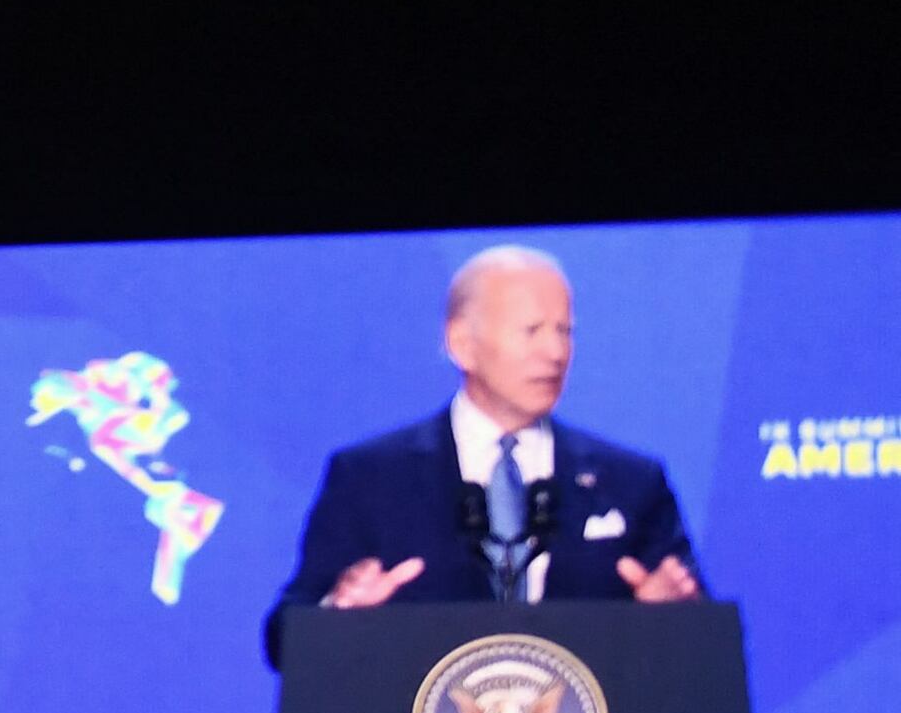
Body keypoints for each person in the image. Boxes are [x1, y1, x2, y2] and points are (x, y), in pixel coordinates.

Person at [264, 242, 703, 665]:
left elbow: (704, 637)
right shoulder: (371, 478)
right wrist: (340, 614)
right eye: (531, 331)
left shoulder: (630, 482)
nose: (555, 353)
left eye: (564, 331)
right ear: (462, 343)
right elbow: (284, 638)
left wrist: (671, 615)